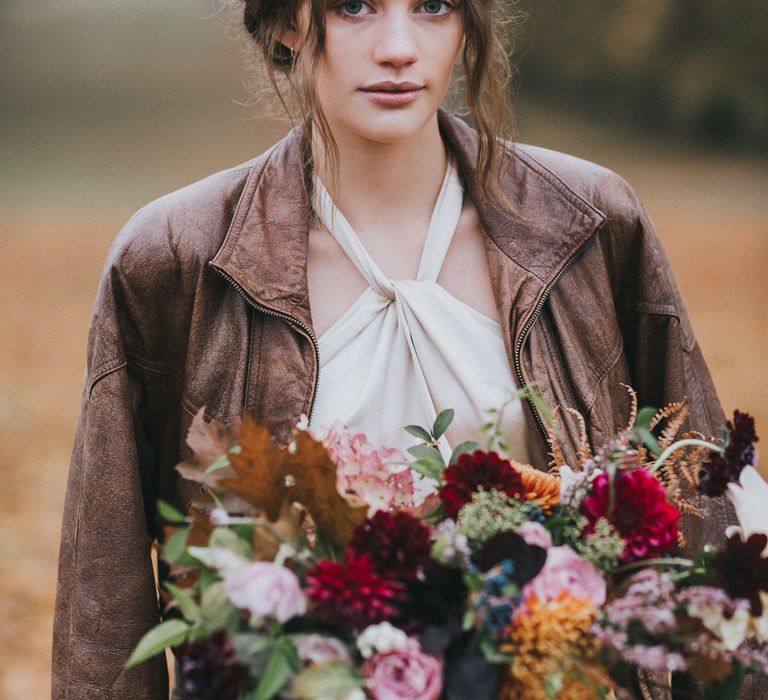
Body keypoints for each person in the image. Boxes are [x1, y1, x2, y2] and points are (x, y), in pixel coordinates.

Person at [52, 1, 760, 698]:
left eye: (432, 5)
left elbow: (706, 551)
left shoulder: (591, 226)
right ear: (286, 21)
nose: (398, 46)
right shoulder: (172, 260)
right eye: (354, 6)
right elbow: (104, 612)